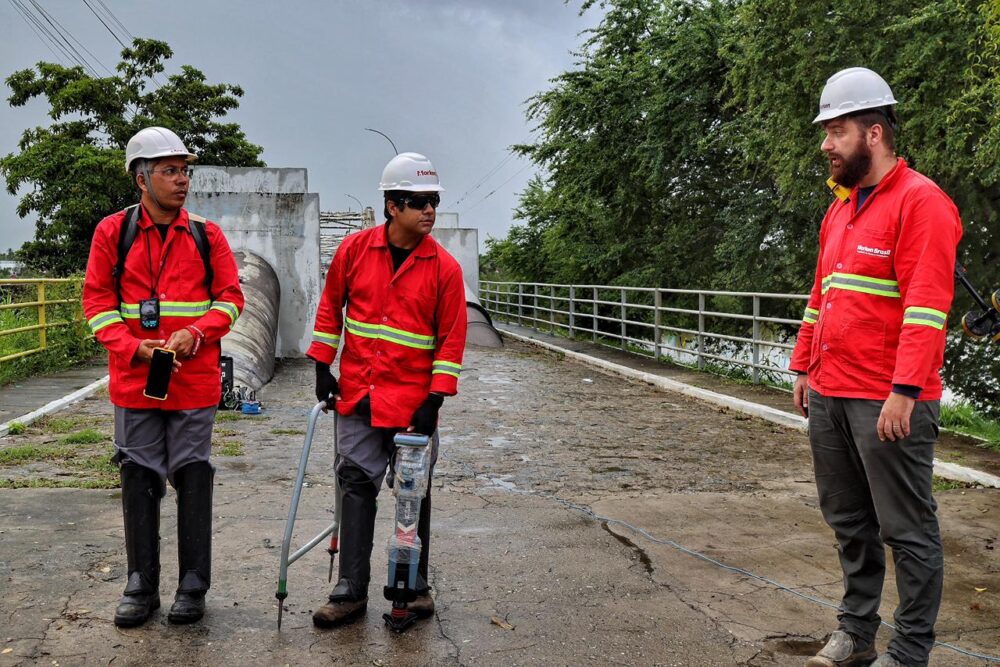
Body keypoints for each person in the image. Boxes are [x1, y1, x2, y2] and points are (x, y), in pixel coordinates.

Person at [791, 69, 962, 667]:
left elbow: (927, 309)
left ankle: (909, 651)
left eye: (835, 130)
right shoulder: (839, 211)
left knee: (907, 531)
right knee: (848, 520)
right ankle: (856, 633)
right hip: (831, 391)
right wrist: (803, 366)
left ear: (874, 132)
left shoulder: (923, 203)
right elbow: (822, 293)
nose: (826, 143)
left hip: (889, 400)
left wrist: (906, 391)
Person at [82, 126, 244, 627]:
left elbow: (232, 300)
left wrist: (196, 333)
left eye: (184, 171)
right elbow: (97, 303)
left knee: (193, 475)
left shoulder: (205, 235)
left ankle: (193, 585)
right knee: (138, 475)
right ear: (141, 179)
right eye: (169, 171)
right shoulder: (114, 232)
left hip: (193, 383)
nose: (182, 181)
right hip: (135, 383)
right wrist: (134, 348)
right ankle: (141, 585)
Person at [306, 152, 467, 628]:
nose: (429, 212)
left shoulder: (445, 269)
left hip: (413, 404)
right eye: (419, 202)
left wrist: (434, 399)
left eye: (433, 202)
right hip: (358, 394)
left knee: (413, 495)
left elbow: (451, 340)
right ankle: (350, 590)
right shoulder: (354, 252)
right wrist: (321, 366)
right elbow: (330, 310)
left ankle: (413, 590)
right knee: (355, 487)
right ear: (392, 206)